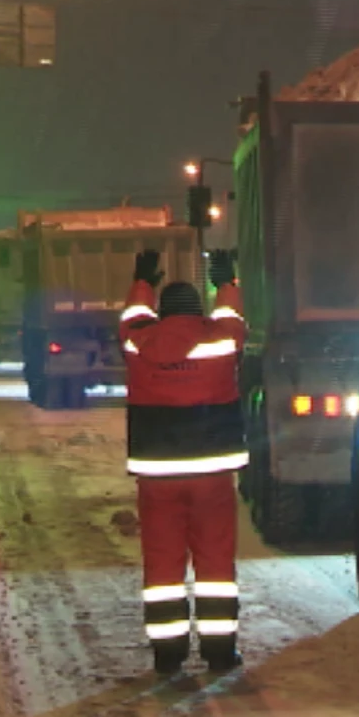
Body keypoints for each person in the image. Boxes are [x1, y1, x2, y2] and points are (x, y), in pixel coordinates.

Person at [121, 248, 249, 676]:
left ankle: (168, 654)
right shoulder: (220, 339)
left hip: (158, 478)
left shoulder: (138, 343)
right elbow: (233, 317)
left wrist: (143, 282)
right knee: (215, 563)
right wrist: (225, 281)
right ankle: (219, 652)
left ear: (160, 312)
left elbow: (132, 318)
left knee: (162, 565)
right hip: (211, 474)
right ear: (199, 311)